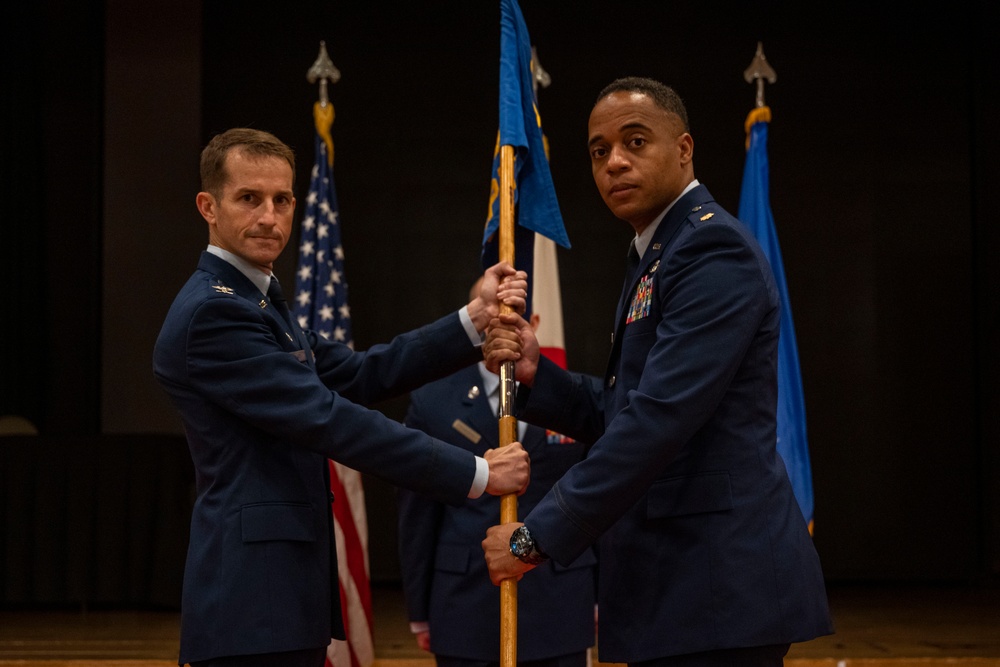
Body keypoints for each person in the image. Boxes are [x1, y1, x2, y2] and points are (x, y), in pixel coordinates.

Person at [481, 78, 833, 666]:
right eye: (599, 151)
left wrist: (533, 537)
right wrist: (537, 372)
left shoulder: (710, 249)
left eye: (635, 141)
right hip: (683, 588)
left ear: (684, 148)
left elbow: (659, 419)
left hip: (720, 588)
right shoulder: (656, 251)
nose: (614, 161)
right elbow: (624, 407)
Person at [153, 127, 532, 667]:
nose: (270, 216)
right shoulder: (216, 312)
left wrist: (474, 318)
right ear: (207, 207)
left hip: (279, 594)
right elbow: (328, 419)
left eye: (282, 200)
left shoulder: (257, 300)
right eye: (249, 199)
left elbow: (359, 372)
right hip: (250, 602)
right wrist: (477, 473)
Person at [396, 277, 597, 667]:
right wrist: (419, 610)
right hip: (465, 606)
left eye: (516, 315)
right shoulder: (433, 402)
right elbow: (417, 515)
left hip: (560, 599)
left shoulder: (575, 399)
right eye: (491, 314)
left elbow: (597, 500)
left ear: (534, 322)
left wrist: (603, 593)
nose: (502, 324)